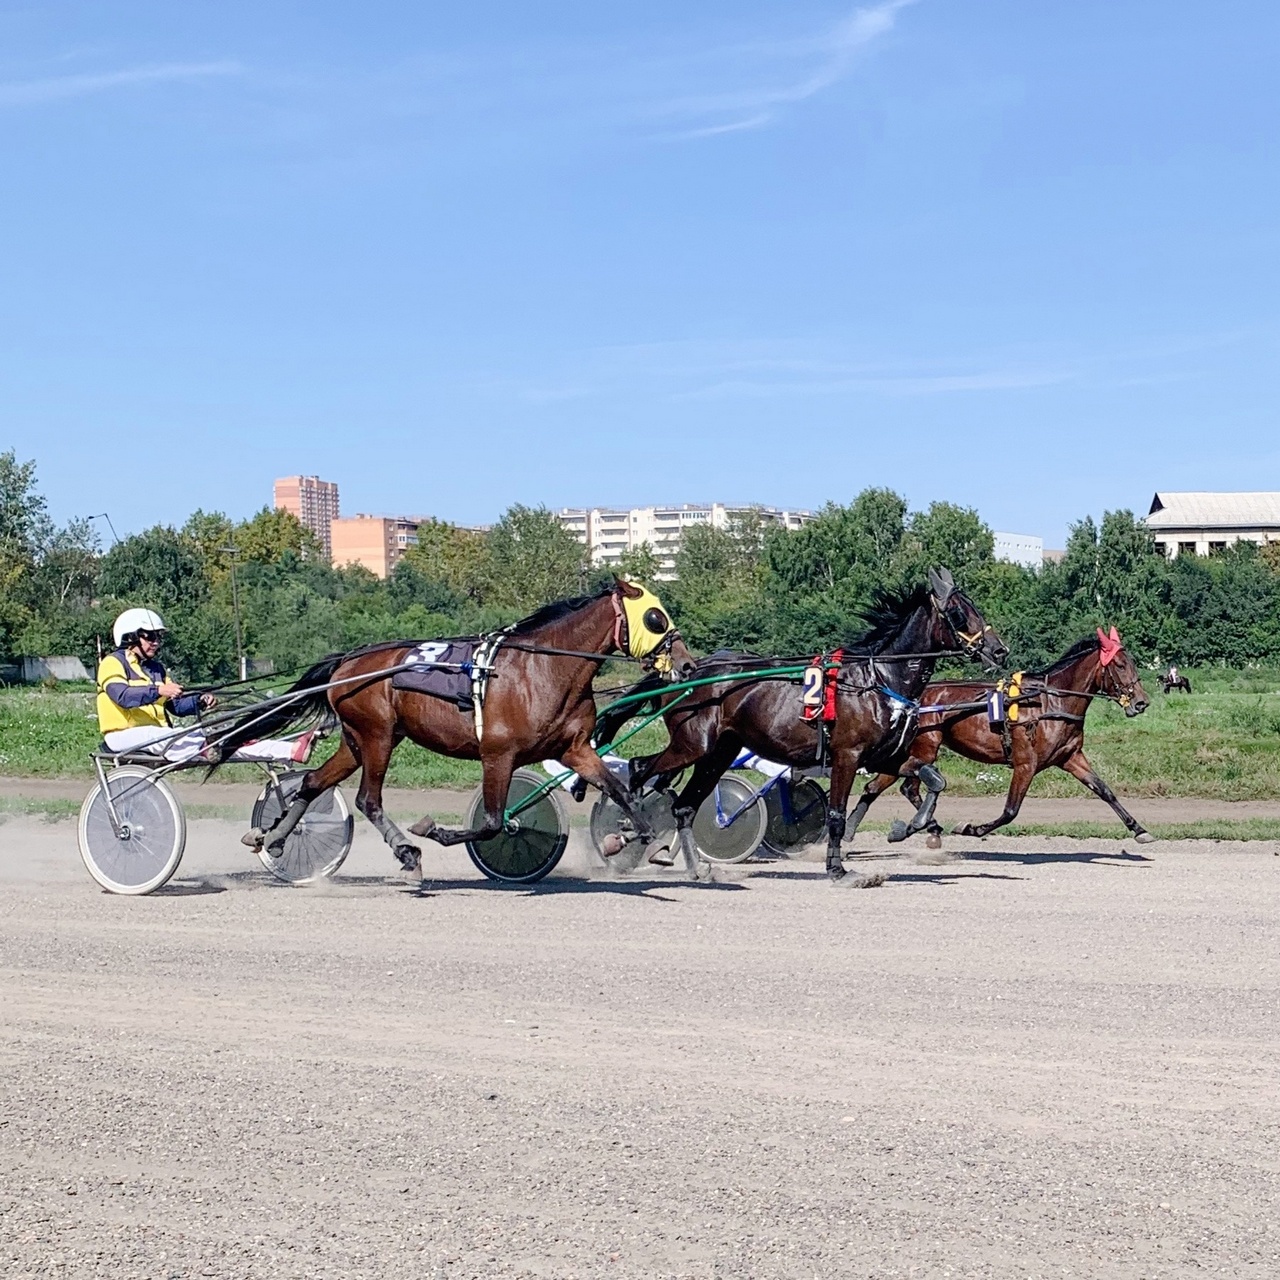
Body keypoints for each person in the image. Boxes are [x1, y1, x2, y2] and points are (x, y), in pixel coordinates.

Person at [96, 608, 309, 763]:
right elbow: (121, 695)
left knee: (225, 738)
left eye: (159, 637)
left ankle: (289, 750)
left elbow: (176, 706)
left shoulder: (156, 669)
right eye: (150, 636)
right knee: (171, 736)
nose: (156, 642)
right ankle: (206, 747)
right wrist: (159, 690)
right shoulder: (112, 662)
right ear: (130, 636)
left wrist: (198, 701)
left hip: (157, 737)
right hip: (122, 735)